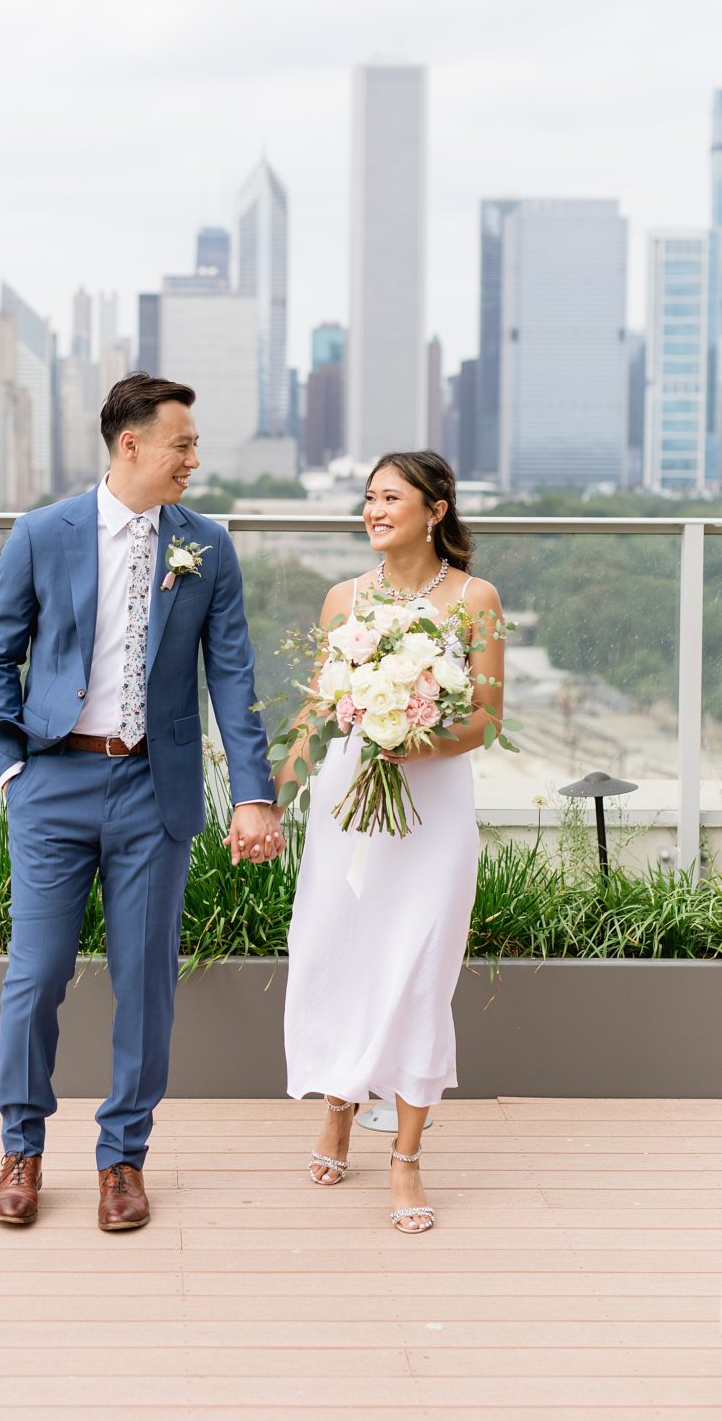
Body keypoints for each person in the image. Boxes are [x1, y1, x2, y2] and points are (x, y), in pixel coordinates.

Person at [0, 372, 280, 1231]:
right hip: (52, 783)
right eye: (182, 443)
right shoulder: (43, 532)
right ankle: (22, 1148)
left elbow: (234, 675)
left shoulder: (207, 546)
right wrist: (8, 762)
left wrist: (253, 793)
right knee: (35, 977)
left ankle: (123, 1160)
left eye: (195, 445)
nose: (194, 459)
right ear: (131, 444)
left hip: (156, 788)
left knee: (146, 983)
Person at [277, 450, 505, 1235]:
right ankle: (339, 1107)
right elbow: (316, 710)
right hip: (348, 805)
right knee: (339, 951)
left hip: (432, 809)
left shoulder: (476, 599)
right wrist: (270, 799)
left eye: (390, 497)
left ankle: (405, 1158)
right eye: (368, 498)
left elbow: (484, 718)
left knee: (418, 970)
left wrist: (417, 736)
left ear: (435, 509)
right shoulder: (343, 597)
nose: (373, 511)